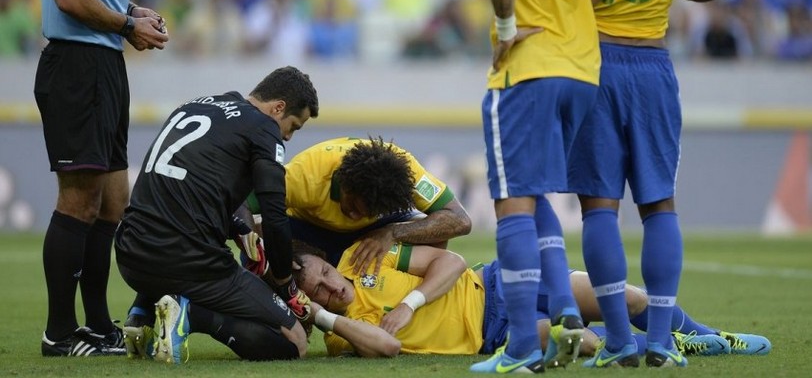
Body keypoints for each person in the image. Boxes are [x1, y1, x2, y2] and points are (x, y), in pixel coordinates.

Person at [560, 0, 733, 368]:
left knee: (598, 208)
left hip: (594, 64)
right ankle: (660, 338)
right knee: (659, 206)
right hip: (653, 67)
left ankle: (618, 339)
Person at [436, 0, 608, 372]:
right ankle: (565, 313)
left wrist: (509, 25)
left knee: (511, 201)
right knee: (533, 194)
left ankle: (521, 350)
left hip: (528, 71)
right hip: (583, 70)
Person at [34, 0, 169, 357]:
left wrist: (129, 11)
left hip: (102, 65)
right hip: (78, 67)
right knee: (79, 200)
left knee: (113, 203)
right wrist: (126, 25)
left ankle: (95, 324)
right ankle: (59, 332)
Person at [114, 66, 320, 363]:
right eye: (293, 126)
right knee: (295, 342)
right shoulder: (263, 128)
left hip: (129, 254)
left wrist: (237, 226)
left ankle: (141, 313)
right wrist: (285, 283)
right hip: (188, 262)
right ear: (278, 108)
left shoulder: (196, 105)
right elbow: (274, 216)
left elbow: (185, 190)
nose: (287, 136)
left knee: (167, 230)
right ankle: (191, 314)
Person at [292, 241, 771, 359]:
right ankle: (671, 347)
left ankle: (714, 337)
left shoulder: (365, 256)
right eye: (319, 291)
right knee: (580, 342)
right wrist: (321, 317)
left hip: (498, 284)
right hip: (494, 335)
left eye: (326, 274)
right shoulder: (341, 335)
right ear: (313, 302)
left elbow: (452, 262)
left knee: (627, 297)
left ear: (330, 262)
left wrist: (410, 303)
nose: (331, 287)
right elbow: (389, 346)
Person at [243, 136, 472, 272]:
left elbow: (460, 220)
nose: (354, 216)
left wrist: (393, 232)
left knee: (435, 237)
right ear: (343, 181)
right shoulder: (306, 174)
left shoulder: (406, 174)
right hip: (308, 231)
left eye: (367, 212)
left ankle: (390, 300)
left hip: (372, 231)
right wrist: (267, 251)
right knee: (262, 244)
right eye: (352, 204)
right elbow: (242, 205)